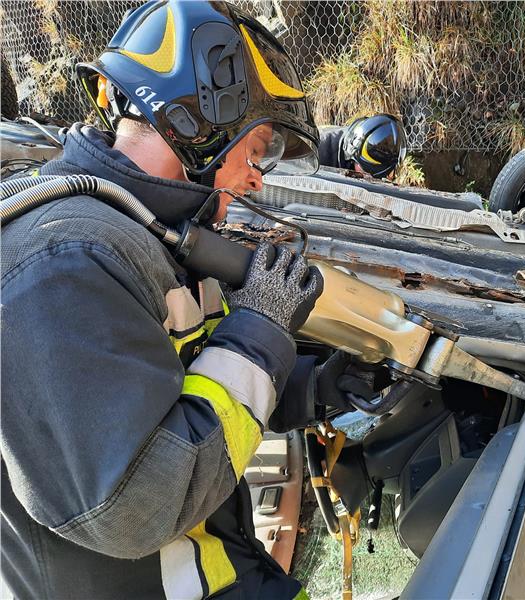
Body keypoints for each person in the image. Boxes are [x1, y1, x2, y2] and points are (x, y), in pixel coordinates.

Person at [1, 2, 353, 598]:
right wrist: (260, 331)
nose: (257, 177)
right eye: (256, 149)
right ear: (199, 128)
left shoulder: (139, 236)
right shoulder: (64, 264)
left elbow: (188, 389)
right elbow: (133, 507)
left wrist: (315, 386)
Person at [317, 113, 408, 179]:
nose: (367, 178)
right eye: (365, 172)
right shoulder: (317, 152)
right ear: (351, 155)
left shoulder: (389, 164)